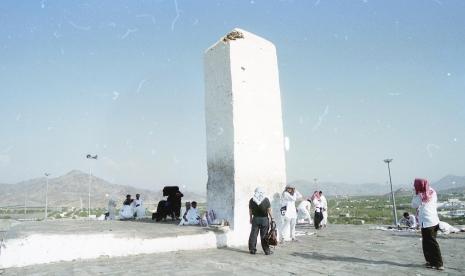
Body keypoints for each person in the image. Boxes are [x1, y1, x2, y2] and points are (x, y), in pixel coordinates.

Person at [412, 178, 444, 270]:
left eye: (415, 185)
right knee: (427, 243)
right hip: (434, 221)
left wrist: (415, 194)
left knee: (431, 243)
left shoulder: (419, 195)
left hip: (427, 223)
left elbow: (413, 205)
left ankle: (438, 263)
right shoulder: (432, 191)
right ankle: (430, 262)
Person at [248, 187, 272, 255]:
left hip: (255, 219)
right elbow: (269, 210)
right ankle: (266, 251)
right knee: (264, 235)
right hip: (264, 219)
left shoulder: (252, 200)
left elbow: (250, 211)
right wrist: (272, 218)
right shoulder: (266, 199)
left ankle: (252, 250)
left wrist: (250, 218)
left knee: (253, 235)